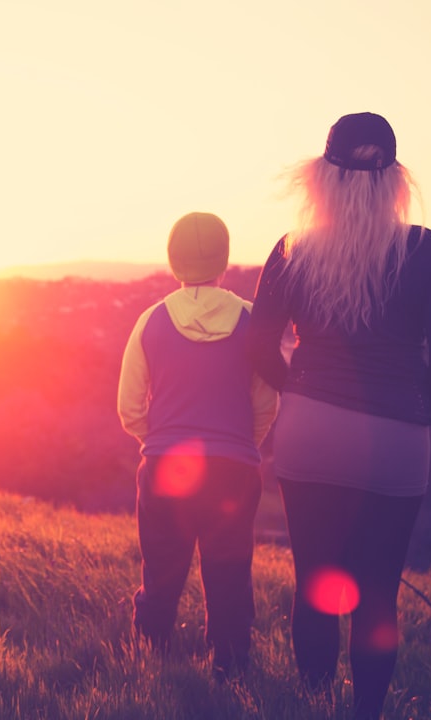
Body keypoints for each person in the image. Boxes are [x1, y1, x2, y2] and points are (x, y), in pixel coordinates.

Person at [245, 112, 431, 719]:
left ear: (321, 176)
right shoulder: (423, 249)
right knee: (377, 596)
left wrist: (300, 392)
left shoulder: (293, 250)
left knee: (315, 583)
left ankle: (315, 707)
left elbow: (259, 344)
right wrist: (417, 413)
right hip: (397, 436)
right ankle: (366, 712)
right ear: (395, 179)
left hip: (309, 430)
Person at [117, 211, 278, 680]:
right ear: (225, 261)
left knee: (162, 567)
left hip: (165, 466)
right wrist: (241, 448)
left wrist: (160, 443)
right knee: (229, 569)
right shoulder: (252, 322)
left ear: (172, 262)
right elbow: (266, 404)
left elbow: (129, 408)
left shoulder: (149, 321)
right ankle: (230, 667)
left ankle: (151, 658)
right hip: (234, 468)